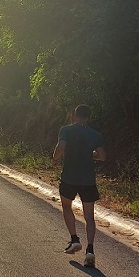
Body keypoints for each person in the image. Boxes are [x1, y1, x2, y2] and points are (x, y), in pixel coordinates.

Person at [52, 104, 106, 267]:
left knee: (67, 207)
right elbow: (102, 156)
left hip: (69, 177)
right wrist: (91, 155)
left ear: (74, 115)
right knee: (89, 216)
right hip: (88, 180)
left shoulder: (66, 130)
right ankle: (90, 250)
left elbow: (60, 148)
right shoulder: (96, 135)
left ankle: (74, 239)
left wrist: (55, 160)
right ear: (88, 117)